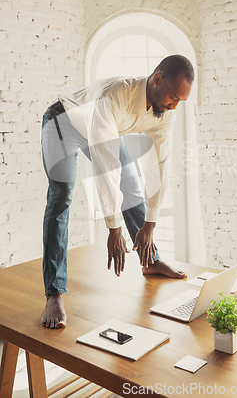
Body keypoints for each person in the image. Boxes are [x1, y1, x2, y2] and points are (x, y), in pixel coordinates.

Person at [41, 54, 194, 329]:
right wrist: (113, 228)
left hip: (99, 129)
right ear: (157, 80)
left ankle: (151, 260)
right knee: (61, 197)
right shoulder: (115, 96)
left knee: (131, 183)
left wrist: (149, 224)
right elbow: (105, 164)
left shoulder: (165, 112)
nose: (174, 106)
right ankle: (54, 292)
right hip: (63, 121)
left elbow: (159, 167)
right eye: (173, 97)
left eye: (180, 101)